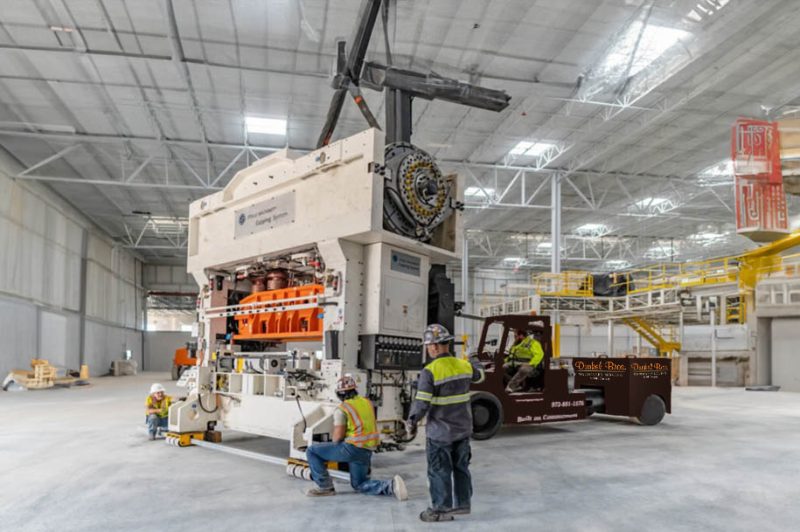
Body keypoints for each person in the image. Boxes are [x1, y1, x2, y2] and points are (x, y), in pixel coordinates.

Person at [407, 323, 485, 523]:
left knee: (439, 470)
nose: (428, 349)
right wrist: (473, 357)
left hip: (440, 433)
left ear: (433, 346)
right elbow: (480, 375)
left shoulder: (430, 371)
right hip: (463, 430)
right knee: (461, 467)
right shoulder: (463, 365)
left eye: (428, 345)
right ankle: (462, 504)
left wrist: (412, 421)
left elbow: (422, 403)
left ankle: (440, 510)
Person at [305, 375, 408, 501]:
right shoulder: (367, 402)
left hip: (352, 448)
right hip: (367, 450)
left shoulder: (342, 409)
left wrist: (331, 446)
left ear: (339, 394)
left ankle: (325, 487)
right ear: (354, 390)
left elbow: (337, 437)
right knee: (359, 484)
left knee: (312, 451)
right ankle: (391, 486)